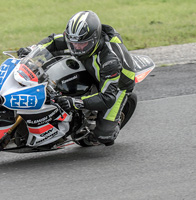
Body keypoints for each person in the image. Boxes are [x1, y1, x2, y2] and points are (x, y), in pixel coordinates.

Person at [17, 11, 135, 146]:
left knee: (104, 136)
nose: (76, 47)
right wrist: (31, 51)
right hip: (91, 64)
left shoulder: (110, 61)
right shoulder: (78, 39)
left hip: (118, 84)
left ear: (94, 39)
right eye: (72, 43)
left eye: (82, 44)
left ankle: (112, 124)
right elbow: (53, 41)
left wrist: (74, 102)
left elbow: (107, 98)